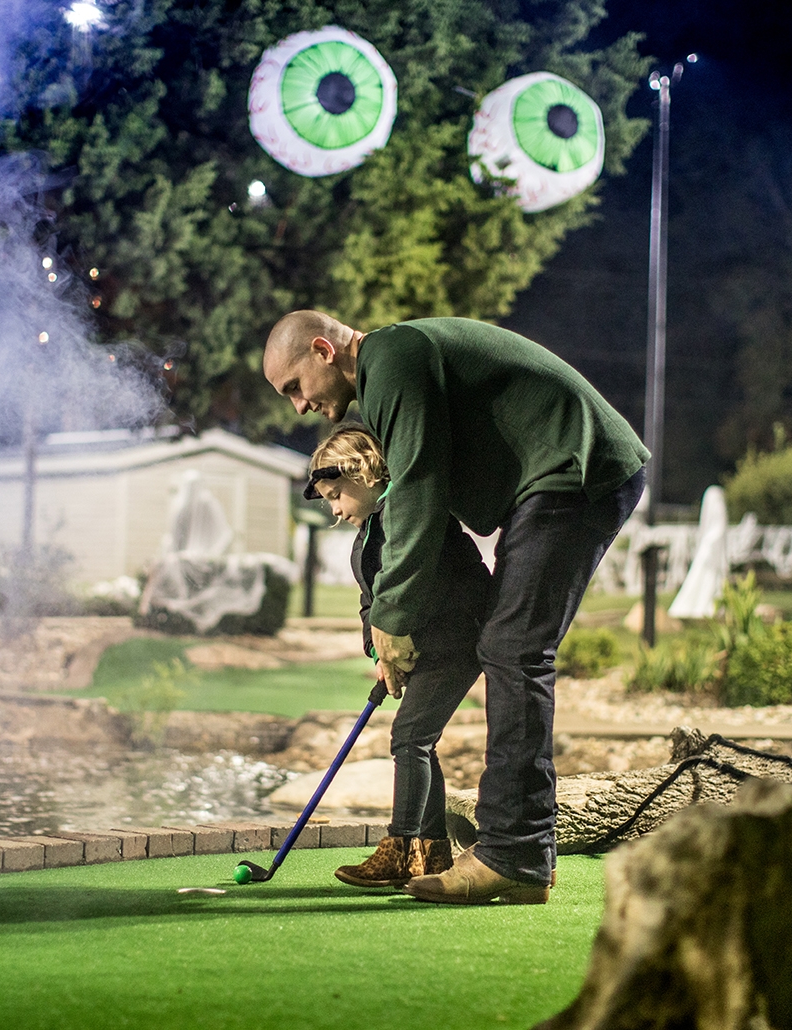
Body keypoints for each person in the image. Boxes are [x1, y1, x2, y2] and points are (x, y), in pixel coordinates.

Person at [264, 311, 647, 905]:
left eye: (295, 386)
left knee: (514, 650)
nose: (298, 405)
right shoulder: (389, 372)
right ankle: (522, 855)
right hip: (551, 481)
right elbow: (420, 483)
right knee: (509, 647)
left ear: (323, 350)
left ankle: (513, 853)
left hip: (574, 468)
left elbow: (417, 487)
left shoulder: (391, 359)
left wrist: (392, 617)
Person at [304, 425, 489, 888]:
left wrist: (401, 644)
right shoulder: (366, 536)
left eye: (336, 495)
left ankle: (401, 848)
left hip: (457, 639)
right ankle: (433, 853)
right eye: (328, 501)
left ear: (363, 473)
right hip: (425, 648)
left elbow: (426, 584)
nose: (335, 509)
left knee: (410, 737)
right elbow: (370, 604)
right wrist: (379, 652)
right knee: (417, 739)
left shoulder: (410, 514)